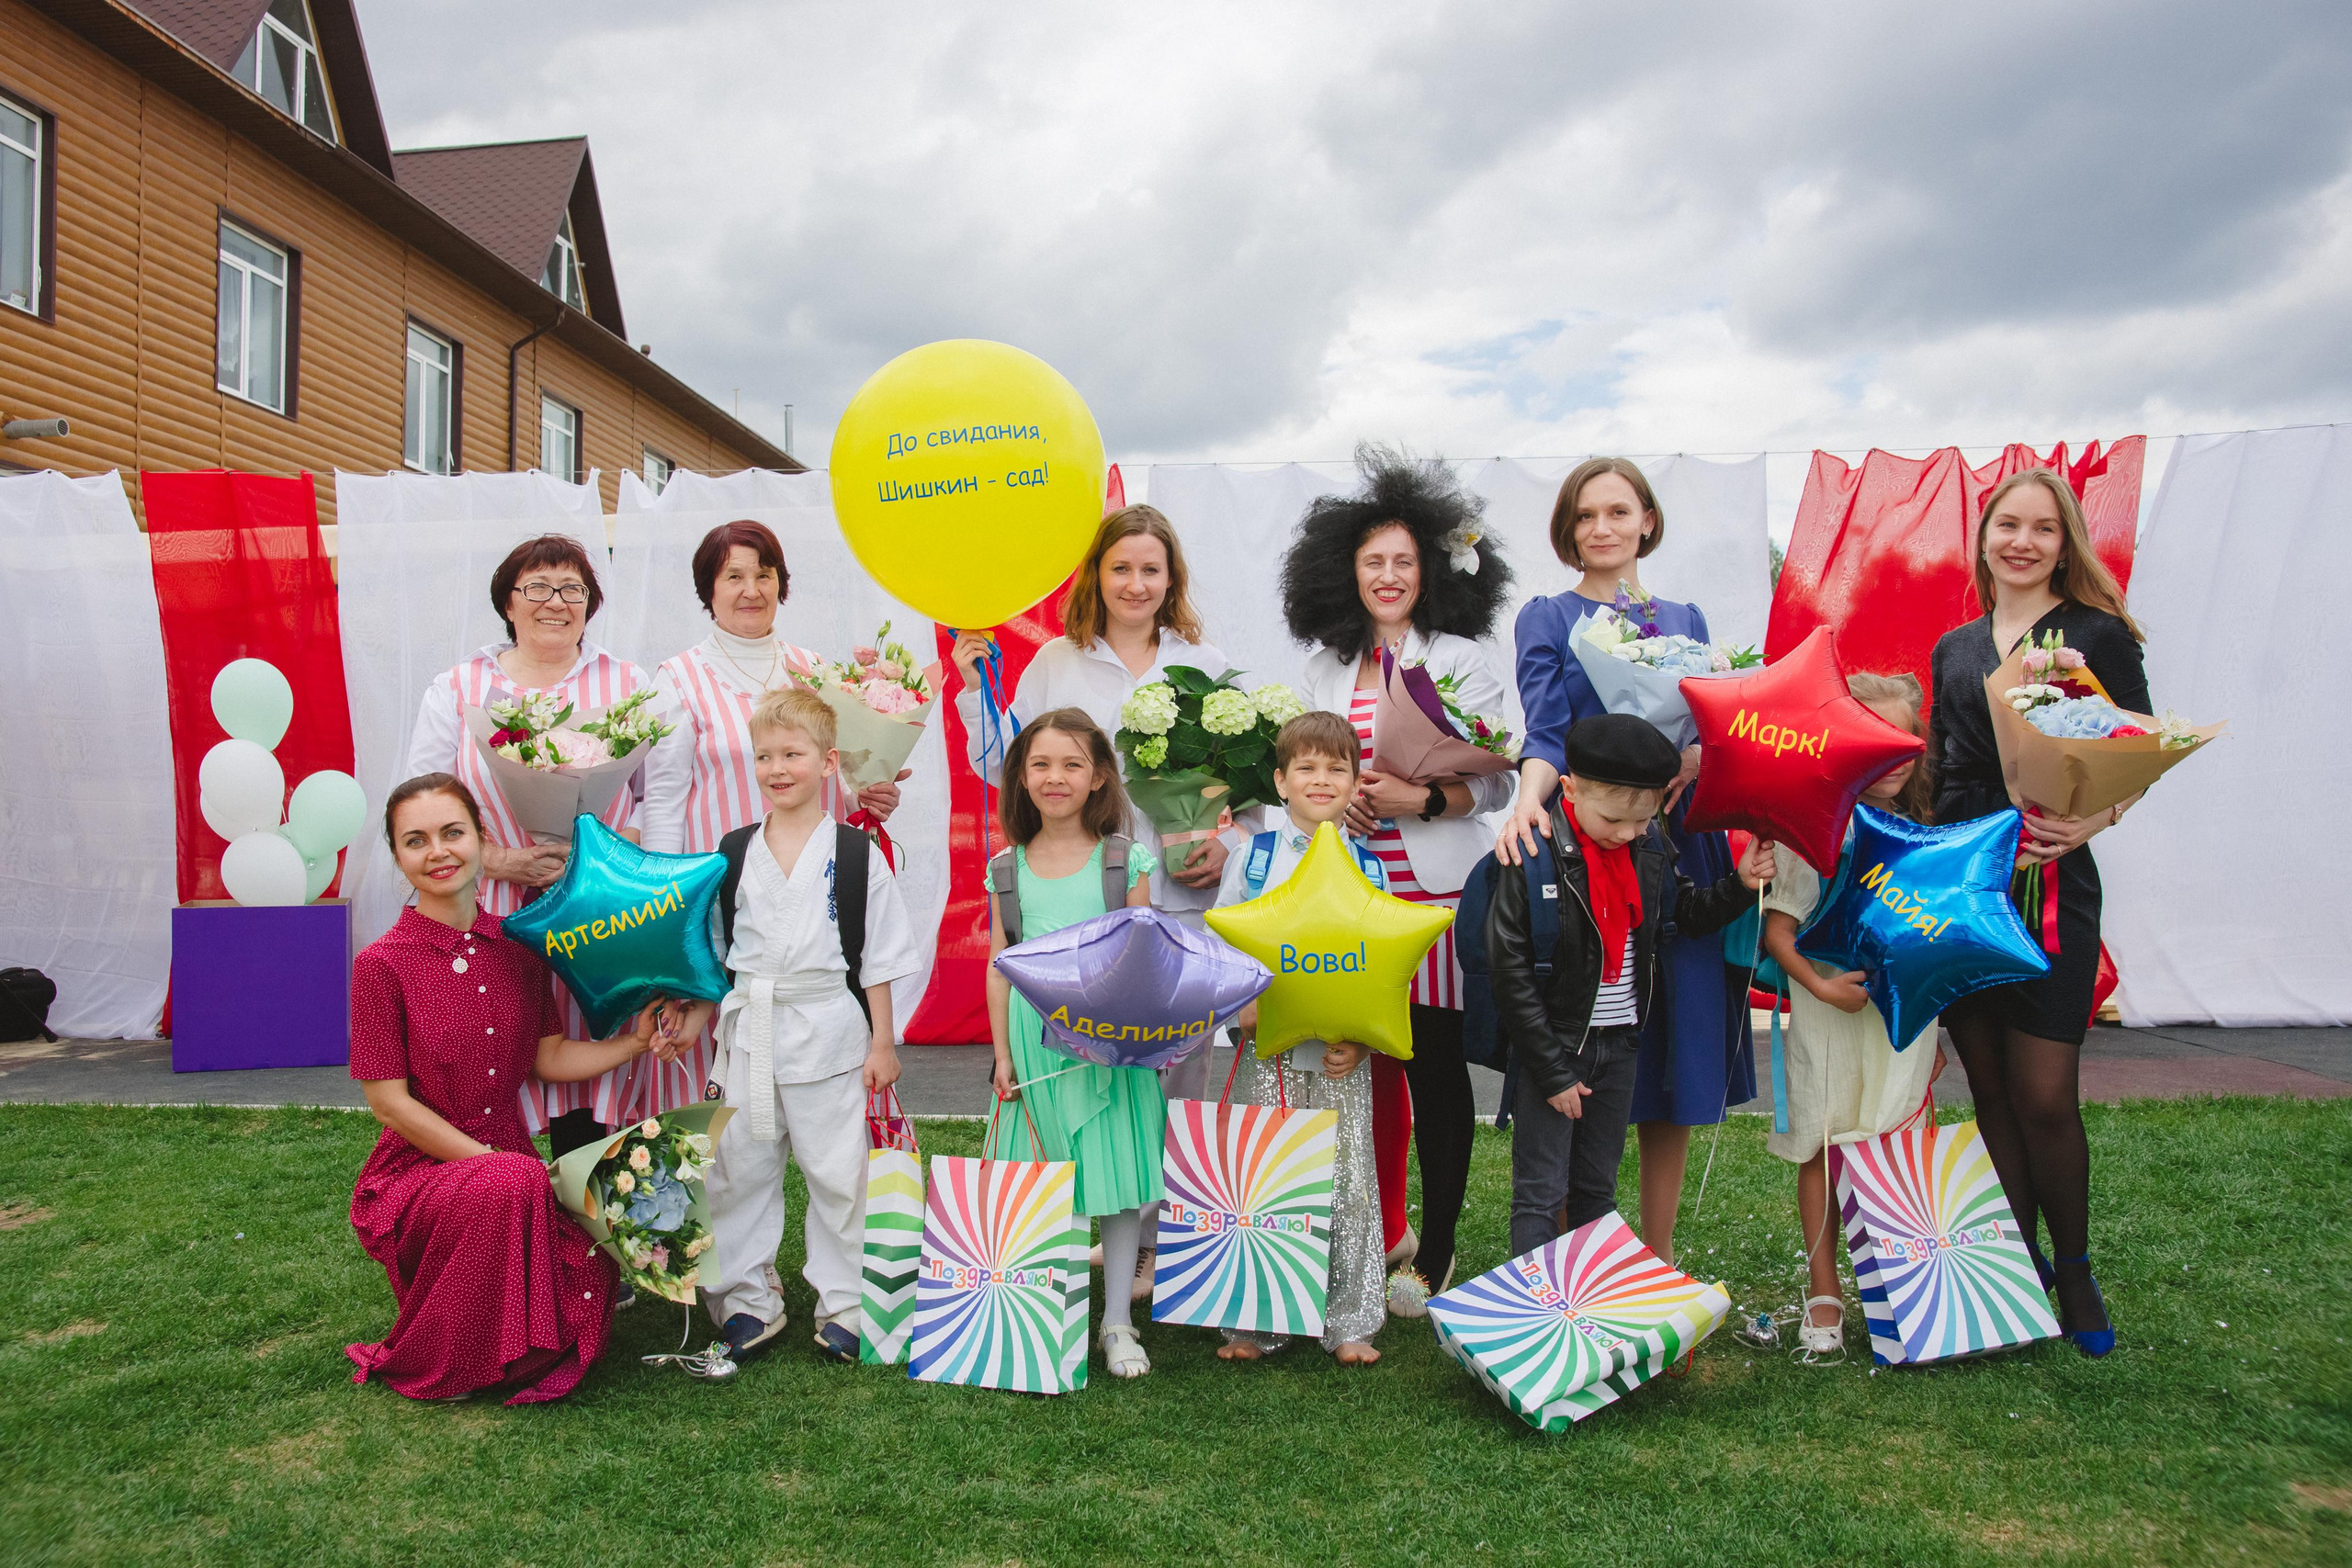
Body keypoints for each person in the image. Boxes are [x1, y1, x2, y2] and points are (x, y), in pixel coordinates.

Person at [953, 504, 1243, 1302]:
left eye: (1152, 569)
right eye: (1121, 568)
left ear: (1171, 579)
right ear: (1097, 577)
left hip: (1172, 898)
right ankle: (1074, 1239)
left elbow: (1237, 785)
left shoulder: (1204, 662)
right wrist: (973, 682)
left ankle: (1161, 1246)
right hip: (1072, 903)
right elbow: (1008, 758)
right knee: (1080, 1080)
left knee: (1171, 1077)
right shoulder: (1057, 659)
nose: (1136, 583)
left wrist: (1225, 838)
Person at [346, 773, 688, 1404]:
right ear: (397, 857)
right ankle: (449, 1358)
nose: (438, 851)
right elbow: (387, 1101)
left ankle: (512, 1353)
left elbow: (549, 1056)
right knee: (514, 1182)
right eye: (416, 840)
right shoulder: (380, 964)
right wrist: (488, 1162)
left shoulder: (521, 947)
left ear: (481, 838)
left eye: (453, 832)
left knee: (598, 1232)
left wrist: (635, 1042)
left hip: (510, 1163)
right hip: (418, 1172)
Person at [1497, 457, 1753, 1266]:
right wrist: (1528, 801)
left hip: (1677, 838)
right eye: (1584, 515)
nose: (1600, 527)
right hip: (1583, 848)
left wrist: (1693, 761)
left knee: (1670, 1061)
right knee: (1586, 1040)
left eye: (1617, 511)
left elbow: (1711, 726)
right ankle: (1576, 1251)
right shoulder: (1545, 615)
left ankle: (1657, 1254)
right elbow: (1544, 730)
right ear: (1569, 529)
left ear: (1647, 518)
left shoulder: (1687, 616)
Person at [1279, 446, 1515, 1308]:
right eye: (1372, 561)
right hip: (1347, 894)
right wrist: (1323, 807)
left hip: (1437, 895)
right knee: (1361, 1068)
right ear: (1346, 571)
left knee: (1437, 1069)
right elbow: (1299, 770)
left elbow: (1497, 777)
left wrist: (1421, 796)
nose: (1387, 576)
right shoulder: (1319, 668)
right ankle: (1372, 1233)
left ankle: (1438, 1246)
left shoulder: (1463, 658)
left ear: (1431, 571)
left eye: (1403, 561)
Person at [1928, 468, 2147, 1358]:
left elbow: (2134, 750)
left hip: (2054, 879)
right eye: (2006, 525)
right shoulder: (1952, 646)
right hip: (1965, 883)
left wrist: (2086, 821)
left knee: (2045, 1095)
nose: (2021, 542)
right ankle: (2017, 1277)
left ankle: (2078, 1266)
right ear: (1983, 537)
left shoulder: (2096, 634)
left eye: (2042, 530)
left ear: (2065, 545)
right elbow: (1940, 767)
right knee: (1987, 1094)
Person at [658, 687, 923, 1365]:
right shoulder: (736, 849)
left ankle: (849, 1304)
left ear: (829, 761)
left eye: (793, 754)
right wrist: (692, 1014)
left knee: (839, 1171)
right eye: (765, 755)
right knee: (737, 1170)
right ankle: (747, 1300)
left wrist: (883, 1040)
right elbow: (716, 950)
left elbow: (882, 954)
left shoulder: (856, 853)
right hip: (749, 1029)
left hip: (830, 1029)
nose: (778, 767)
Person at [639, 520, 910, 1133]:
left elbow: (837, 772)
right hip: (721, 894)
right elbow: (662, 797)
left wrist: (869, 790)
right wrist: (663, 911)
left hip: (815, 893)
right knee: (717, 1083)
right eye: (733, 575)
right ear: (708, 588)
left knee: (826, 1070)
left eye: (763, 573)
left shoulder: (811, 669)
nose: (750, 588)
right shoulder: (677, 678)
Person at [402, 535, 667, 1157]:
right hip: (487, 904)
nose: (556, 601)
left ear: (590, 602)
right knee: (489, 1058)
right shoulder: (460, 687)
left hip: (598, 910)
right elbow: (421, 797)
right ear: (508, 602)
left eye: (572, 587)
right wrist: (498, 859)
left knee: (593, 1063)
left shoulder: (626, 682)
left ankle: (595, 1231)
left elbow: (658, 796)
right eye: (538, 586)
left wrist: (602, 858)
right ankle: (499, 1209)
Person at [1486, 715, 1773, 1259]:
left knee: (1598, 1190)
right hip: (1558, 1048)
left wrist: (1741, 885)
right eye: (1615, 820)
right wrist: (1550, 1070)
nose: (1628, 833)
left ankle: (1591, 1304)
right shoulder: (1531, 854)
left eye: (1642, 821)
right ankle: (1536, 1317)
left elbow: (1684, 913)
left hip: (1619, 1046)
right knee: (1541, 1195)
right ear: (1568, 790)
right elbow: (1511, 972)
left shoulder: (1649, 847)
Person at [1756, 672, 1947, 1360]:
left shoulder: (1925, 831)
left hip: (1900, 1020)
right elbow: (1779, 932)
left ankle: (1905, 1280)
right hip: (1829, 1010)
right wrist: (1823, 986)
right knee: (1826, 1139)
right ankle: (1824, 1288)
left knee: (1899, 1131)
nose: (1891, 758)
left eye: (1903, 742)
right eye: (1875, 741)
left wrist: (1935, 1010)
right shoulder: (1814, 827)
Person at [983, 707, 1163, 1379]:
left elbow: (1146, 957)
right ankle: (1037, 1308)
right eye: (1040, 764)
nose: (1055, 777)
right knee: (1041, 1176)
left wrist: (1129, 1033)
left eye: (1071, 764)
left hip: (1110, 1043)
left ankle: (1117, 1319)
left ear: (1098, 778)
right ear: (1021, 777)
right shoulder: (1006, 867)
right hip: (1035, 1048)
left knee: (1115, 1182)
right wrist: (1002, 1054)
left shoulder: (1123, 858)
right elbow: (1000, 963)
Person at [1213, 712, 1394, 1365]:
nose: (1322, 779)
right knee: (1266, 1176)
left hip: (1343, 1056)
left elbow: (1383, 963)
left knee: (1346, 1181)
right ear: (1281, 781)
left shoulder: (1369, 866)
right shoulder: (1253, 858)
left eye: (1336, 768)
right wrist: (1244, 1007)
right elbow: (1224, 944)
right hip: (1270, 1053)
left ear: (1354, 785)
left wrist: (1365, 1041)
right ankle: (1254, 1320)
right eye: (1307, 768)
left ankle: (1348, 1319)